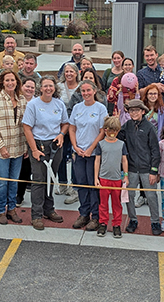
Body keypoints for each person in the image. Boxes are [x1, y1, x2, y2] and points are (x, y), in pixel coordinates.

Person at [22, 76, 68, 230]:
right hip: (39, 145)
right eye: (45, 86)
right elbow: (27, 127)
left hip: (55, 145)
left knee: (51, 177)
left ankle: (49, 210)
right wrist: (34, 149)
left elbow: (65, 123)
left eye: (51, 86)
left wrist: (61, 134)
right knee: (39, 180)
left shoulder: (59, 104)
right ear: (40, 88)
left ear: (54, 87)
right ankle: (36, 215)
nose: (48, 88)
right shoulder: (33, 105)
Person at [0, 69, 28, 225]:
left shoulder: (23, 100)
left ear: (17, 82)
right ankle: (1, 210)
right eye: (7, 81)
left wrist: (25, 146)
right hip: (1, 150)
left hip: (18, 148)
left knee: (14, 181)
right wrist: (1, 147)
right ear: (2, 83)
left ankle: (12, 209)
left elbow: (26, 125)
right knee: (3, 181)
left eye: (13, 80)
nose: (10, 83)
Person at [119, 98, 162, 235]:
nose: (134, 113)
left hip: (146, 169)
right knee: (129, 195)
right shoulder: (127, 125)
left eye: (137, 110)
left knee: (151, 196)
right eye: (131, 110)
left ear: (143, 111)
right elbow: (118, 138)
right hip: (131, 168)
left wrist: (153, 171)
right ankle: (133, 219)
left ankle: (155, 221)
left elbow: (155, 150)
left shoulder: (149, 127)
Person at [68, 80, 107, 231]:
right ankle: (84, 213)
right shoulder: (77, 108)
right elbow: (72, 128)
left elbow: (103, 131)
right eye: (83, 91)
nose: (85, 94)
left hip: (93, 153)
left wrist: (92, 148)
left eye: (88, 90)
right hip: (79, 153)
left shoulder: (100, 108)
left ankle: (95, 216)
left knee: (93, 185)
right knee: (81, 184)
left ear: (94, 90)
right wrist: (75, 147)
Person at [94, 116, 128, 238]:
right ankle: (102, 223)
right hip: (103, 178)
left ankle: (116, 224)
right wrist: (96, 178)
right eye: (109, 130)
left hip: (117, 179)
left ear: (118, 131)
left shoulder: (121, 144)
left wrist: (126, 176)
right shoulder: (101, 144)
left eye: (115, 131)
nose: (112, 133)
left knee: (117, 204)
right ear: (105, 130)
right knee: (103, 204)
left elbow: (124, 160)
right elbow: (97, 161)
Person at [56, 62, 80, 203]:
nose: (69, 74)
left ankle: (74, 187)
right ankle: (63, 183)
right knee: (61, 156)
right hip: (62, 126)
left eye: (71, 71)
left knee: (75, 156)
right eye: (66, 72)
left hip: (77, 128)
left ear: (76, 73)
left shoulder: (81, 87)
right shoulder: (59, 87)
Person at [14, 77, 37, 207]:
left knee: (25, 170)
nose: (29, 89)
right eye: (27, 86)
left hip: (31, 141)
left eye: (32, 87)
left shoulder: (37, 103)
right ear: (21, 87)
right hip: (16, 140)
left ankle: (20, 195)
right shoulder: (16, 101)